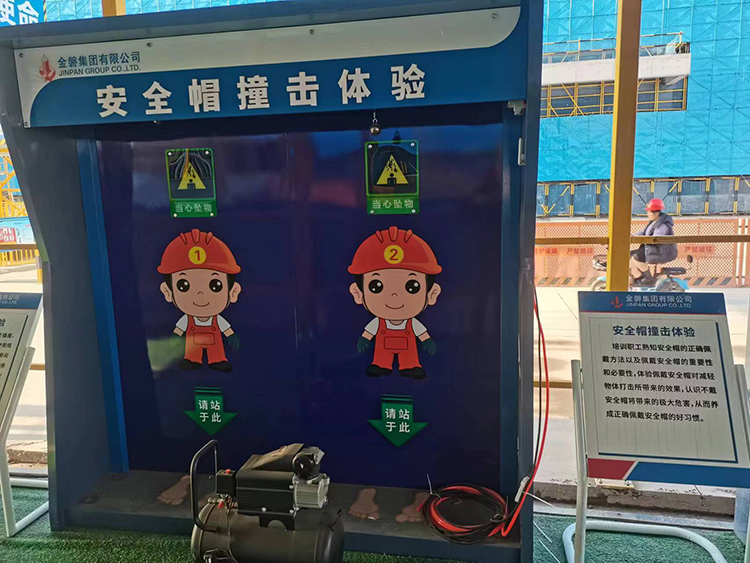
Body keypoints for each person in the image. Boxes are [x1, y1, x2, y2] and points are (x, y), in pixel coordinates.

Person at [348, 226, 442, 380]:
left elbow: (421, 332)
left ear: (432, 294)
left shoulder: (412, 323)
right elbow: (370, 331)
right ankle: (380, 365)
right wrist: (364, 339)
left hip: (408, 346)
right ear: (358, 293)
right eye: (376, 286)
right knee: (381, 356)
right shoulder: (378, 322)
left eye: (412, 287)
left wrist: (427, 341)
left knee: (410, 357)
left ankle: (411, 366)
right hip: (383, 346)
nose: (394, 296)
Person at [158, 229, 241, 372]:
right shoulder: (187, 319)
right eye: (183, 285)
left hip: (213, 341)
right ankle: (192, 360)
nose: (200, 295)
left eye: (215, 285)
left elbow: (225, 327)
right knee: (192, 352)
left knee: (216, 352)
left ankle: (217, 360)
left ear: (233, 292)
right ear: (168, 292)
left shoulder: (217, 319)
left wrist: (231, 336)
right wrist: (175, 337)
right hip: (193, 341)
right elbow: (180, 328)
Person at [630, 198, 678, 286]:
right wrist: (632, 236)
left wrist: (642, 239)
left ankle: (648, 278)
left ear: (656, 213)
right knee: (630, 255)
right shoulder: (654, 222)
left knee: (636, 257)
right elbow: (643, 232)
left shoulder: (662, 225)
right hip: (652, 250)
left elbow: (655, 239)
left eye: (649, 212)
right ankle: (642, 276)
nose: (648, 214)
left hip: (661, 252)